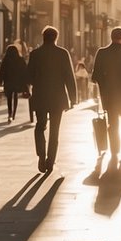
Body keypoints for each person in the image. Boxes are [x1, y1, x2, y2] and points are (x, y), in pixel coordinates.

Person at [26, 25, 76, 174]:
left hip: (40, 96)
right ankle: (50, 161)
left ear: (43, 37)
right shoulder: (62, 53)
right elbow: (69, 76)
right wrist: (73, 97)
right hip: (57, 98)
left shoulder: (35, 54)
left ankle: (41, 155)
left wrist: (30, 88)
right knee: (55, 131)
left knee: (40, 126)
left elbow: (29, 76)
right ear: (56, 38)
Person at [91, 27, 121, 162]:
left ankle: (115, 150)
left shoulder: (102, 52)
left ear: (110, 37)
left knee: (113, 124)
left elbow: (95, 76)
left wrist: (104, 84)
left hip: (109, 96)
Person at [0, 44, 29, 124]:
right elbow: (25, 71)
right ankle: (13, 114)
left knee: (9, 98)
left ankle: (9, 113)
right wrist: (26, 82)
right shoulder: (20, 59)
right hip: (18, 82)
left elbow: (2, 71)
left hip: (8, 82)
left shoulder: (6, 60)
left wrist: (0, 81)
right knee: (15, 96)